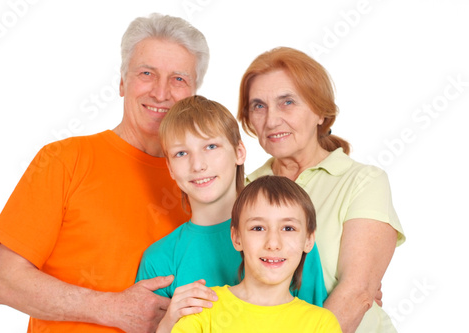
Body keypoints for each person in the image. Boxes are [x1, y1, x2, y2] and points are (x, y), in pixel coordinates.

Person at [0, 13, 209, 333]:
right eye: (147, 73)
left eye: (178, 79)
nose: (161, 93)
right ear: (122, 82)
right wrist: (111, 308)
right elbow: (4, 282)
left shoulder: (205, 182)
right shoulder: (65, 160)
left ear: (194, 94)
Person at [237, 46, 406, 333]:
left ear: (319, 111)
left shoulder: (363, 181)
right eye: (258, 106)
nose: (272, 119)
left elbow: (356, 293)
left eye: (287, 102)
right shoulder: (242, 190)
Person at [135, 95, 328, 332]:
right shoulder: (160, 259)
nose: (198, 165)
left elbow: (311, 318)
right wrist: (167, 324)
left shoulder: (288, 237)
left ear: (239, 152)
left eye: (211, 146)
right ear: (170, 169)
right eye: (181, 153)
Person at [171, 175, 342, 332]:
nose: (273, 243)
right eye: (258, 228)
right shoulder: (202, 310)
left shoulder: (321, 324)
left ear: (309, 240)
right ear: (237, 238)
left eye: (288, 228)